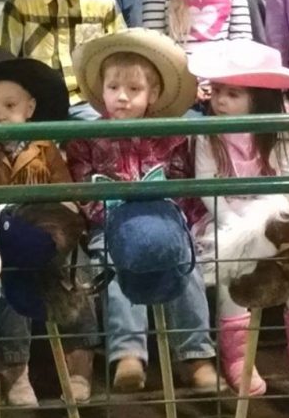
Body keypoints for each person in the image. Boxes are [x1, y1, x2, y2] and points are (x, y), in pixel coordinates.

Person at [65, 29, 218, 393]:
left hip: (165, 221)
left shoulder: (171, 135)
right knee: (119, 266)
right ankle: (128, 354)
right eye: (114, 87)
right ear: (101, 91)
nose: (122, 97)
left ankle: (195, 354)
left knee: (186, 265)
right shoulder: (85, 136)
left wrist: (186, 219)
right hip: (111, 225)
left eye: (134, 90)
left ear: (153, 95)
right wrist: (102, 211)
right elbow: (81, 184)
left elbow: (184, 182)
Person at [0, 49, 96, 405]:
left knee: (78, 270)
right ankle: (16, 370)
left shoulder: (46, 150)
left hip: (49, 235)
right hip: (0, 238)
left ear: (29, 107)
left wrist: (59, 229)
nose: (0, 116)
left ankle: (78, 366)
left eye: (10, 106)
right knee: (10, 275)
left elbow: (67, 198)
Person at [190, 40, 289, 394]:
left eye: (232, 94)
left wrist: (270, 220)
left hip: (271, 217)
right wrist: (237, 223)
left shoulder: (276, 133)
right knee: (230, 266)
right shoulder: (207, 137)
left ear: (258, 98)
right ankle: (237, 356)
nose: (220, 100)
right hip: (227, 220)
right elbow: (207, 186)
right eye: (217, 91)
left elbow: (287, 180)